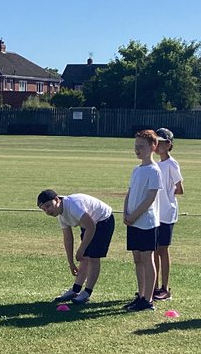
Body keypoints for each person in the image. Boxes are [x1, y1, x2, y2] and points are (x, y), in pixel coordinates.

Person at [37, 189, 116, 304]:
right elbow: (68, 239)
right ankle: (75, 290)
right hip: (89, 224)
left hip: (103, 220)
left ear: (57, 200)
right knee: (84, 257)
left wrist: (81, 249)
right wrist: (71, 263)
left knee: (93, 257)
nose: (47, 211)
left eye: (48, 206)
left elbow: (91, 227)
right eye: (44, 209)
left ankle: (87, 292)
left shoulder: (73, 205)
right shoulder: (61, 215)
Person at [123, 129, 163, 311]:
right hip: (133, 221)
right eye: (136, 146)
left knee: (147, 259)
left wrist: (134, 215)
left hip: (146, 222)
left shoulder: (154, 170)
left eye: (141, 146)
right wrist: (125, 213)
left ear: (153, 147)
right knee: (137, 258)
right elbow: (130, 193)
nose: (137, 150)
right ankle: (140, 295)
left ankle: (148, 299)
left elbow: (150, 197)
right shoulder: (136, 170)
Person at [152, 128, 184, 301]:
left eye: (161, 142)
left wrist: (167, 194)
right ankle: (154, 285)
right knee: (154, 250)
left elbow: (180, 188)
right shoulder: (156, 165)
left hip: (167, 212)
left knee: (162, 250)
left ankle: (165, 287)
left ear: (168, 144)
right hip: (156, 212)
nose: (157, 145)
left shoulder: (172, 164)